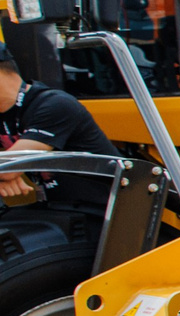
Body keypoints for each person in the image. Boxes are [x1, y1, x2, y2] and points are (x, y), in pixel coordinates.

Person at [0, 44, 120, 212]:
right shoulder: (6, 112)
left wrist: (6, 172)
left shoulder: (55, 105)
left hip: (103, 214)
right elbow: (7, 168)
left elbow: (7, 168)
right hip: (59, 212)